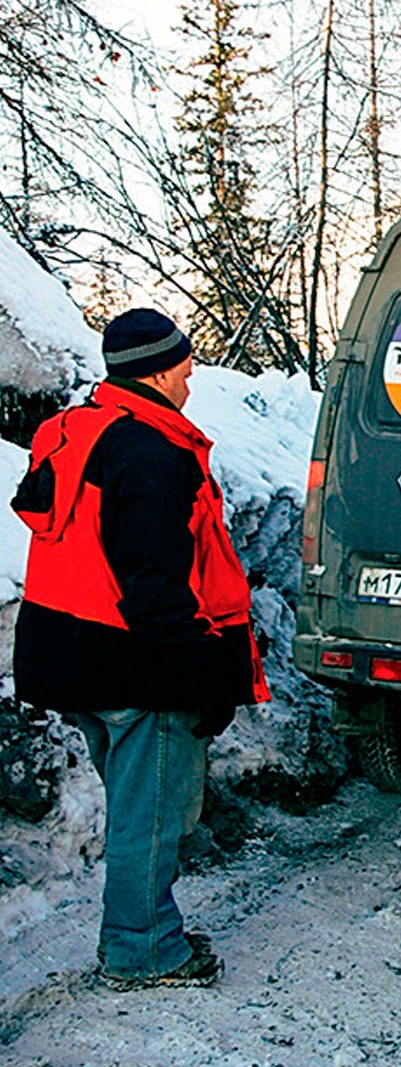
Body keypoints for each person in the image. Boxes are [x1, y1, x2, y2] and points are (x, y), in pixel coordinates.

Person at [10, 308, 269, 991]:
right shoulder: (152, 456)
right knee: (147, 819)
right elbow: (158, 593)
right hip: (134, 667)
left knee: (135, 809)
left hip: (66, 651)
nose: (191, 378)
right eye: (184, 365)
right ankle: (143, 950)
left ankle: (140, 934)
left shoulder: (72, 431)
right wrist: (204, 680)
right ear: (157, 367)